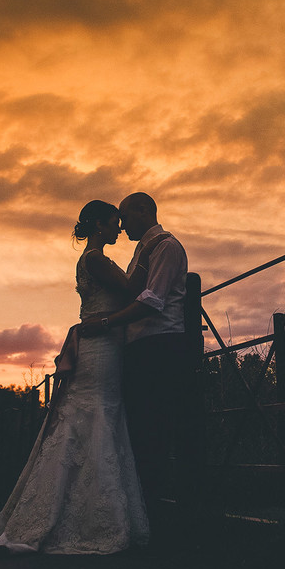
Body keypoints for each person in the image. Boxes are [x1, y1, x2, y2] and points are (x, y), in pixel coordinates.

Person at [0, 200, 149, 555]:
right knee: (96, 414)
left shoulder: (91, 260)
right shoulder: (95, 259)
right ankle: (89, 518)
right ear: (97, 226)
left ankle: (82, 508)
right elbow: (130, 288)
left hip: (103, 344)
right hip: (100, 348)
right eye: (114, 222)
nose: (119, 229)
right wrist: (148, 250)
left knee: (95, 414)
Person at [81, 192, 193, 536]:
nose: (122, 223)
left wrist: (105, 323)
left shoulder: (164, 246)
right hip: (139, 348)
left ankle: (160, 521)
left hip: (159, 345)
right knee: (140, 433)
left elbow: (152, 300)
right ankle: (141, 516)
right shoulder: (141, 250)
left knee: (154, 433)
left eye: (125, 216)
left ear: (144, 210)